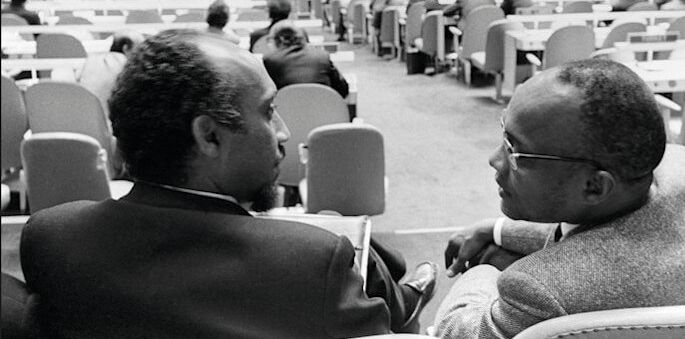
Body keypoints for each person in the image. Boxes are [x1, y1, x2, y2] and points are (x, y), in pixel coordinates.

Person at [19, 29, 437, 337]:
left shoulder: (50, 237)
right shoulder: (311, 263)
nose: (285, 132)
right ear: (209, 136)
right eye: (268, 110)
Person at [434, 60, 685, 338]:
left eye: (515, 151)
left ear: (595, 188)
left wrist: (484, 272)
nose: (495, 159)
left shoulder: (538, 290)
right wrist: (496, 230)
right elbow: (602, 234)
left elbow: (460, 331)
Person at [263, 20, 350, 99]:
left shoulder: (270, 60)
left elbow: (264, 95)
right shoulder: (322, 56)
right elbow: (343, 90)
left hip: (286, 114)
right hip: (323, 113)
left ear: (280, 40)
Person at [78, 30, 145, 113]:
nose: (141, 54)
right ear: (126, 48)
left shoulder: (93, 60)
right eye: (139, 49)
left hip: (88, 114)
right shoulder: (124, 66)